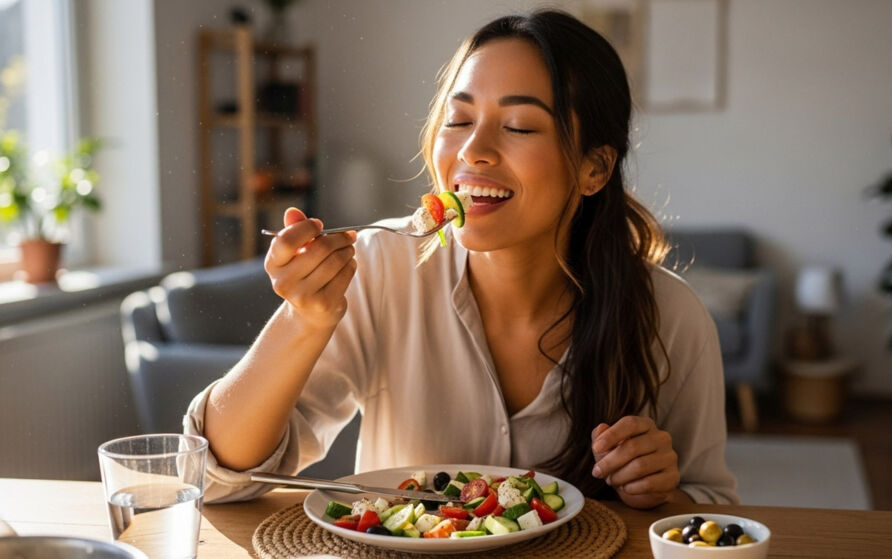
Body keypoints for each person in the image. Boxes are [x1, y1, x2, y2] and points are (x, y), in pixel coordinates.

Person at [186, 8, 738, 508]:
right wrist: (301, 320)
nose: (473, 149)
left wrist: (662, 490)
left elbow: (715, 508)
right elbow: (218, 476)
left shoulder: (671, 317)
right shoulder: (378, 269)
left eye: (519, 126)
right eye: (457, 120)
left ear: (594, 168)